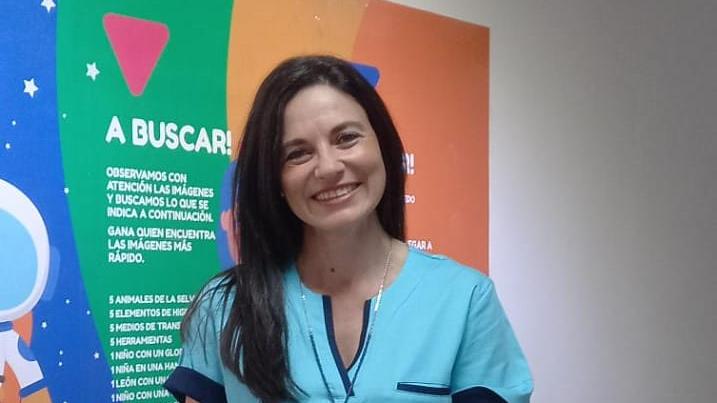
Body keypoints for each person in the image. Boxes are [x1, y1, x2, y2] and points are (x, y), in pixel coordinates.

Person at [164, 55, 533, 403]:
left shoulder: (464, 300)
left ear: (383, 146)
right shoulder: (225, 306)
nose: (328, 167)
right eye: (297, 153)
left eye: (346, 138)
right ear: (275, 179)